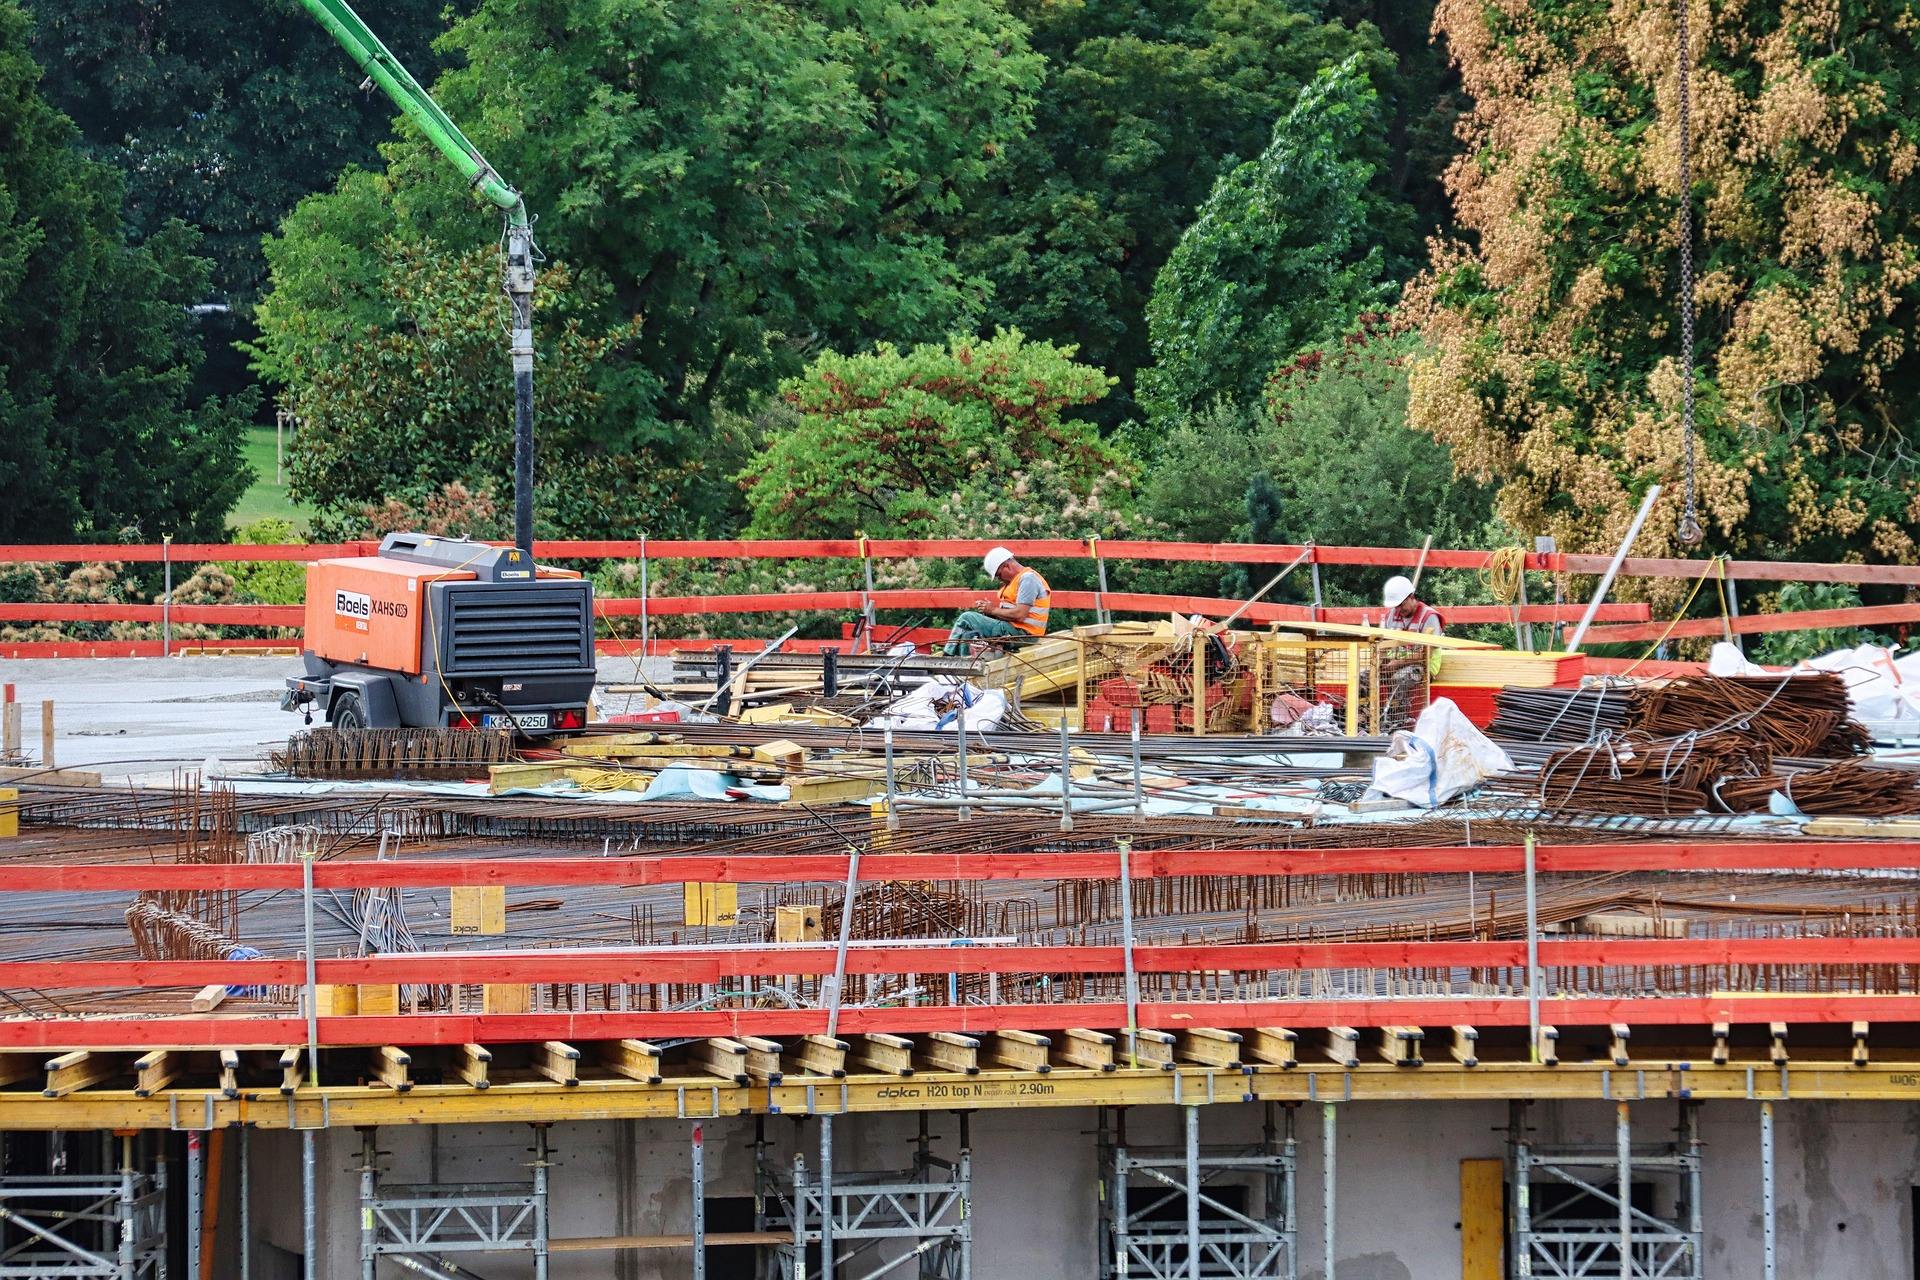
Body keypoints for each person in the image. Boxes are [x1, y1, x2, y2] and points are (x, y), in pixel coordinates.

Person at [943, 547, 1052, 655]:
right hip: (1014, 630)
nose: (999, 579)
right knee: (967, 634)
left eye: (998, 575)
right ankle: (963, 667)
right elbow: (1010, 613)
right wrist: (990, 612)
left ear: (1007, 566)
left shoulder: (1028, 579)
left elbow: (1020, 614)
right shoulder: (1016, 581)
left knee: (966, 618)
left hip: (1025, 634)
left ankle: (946, 656)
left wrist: (993, 610)